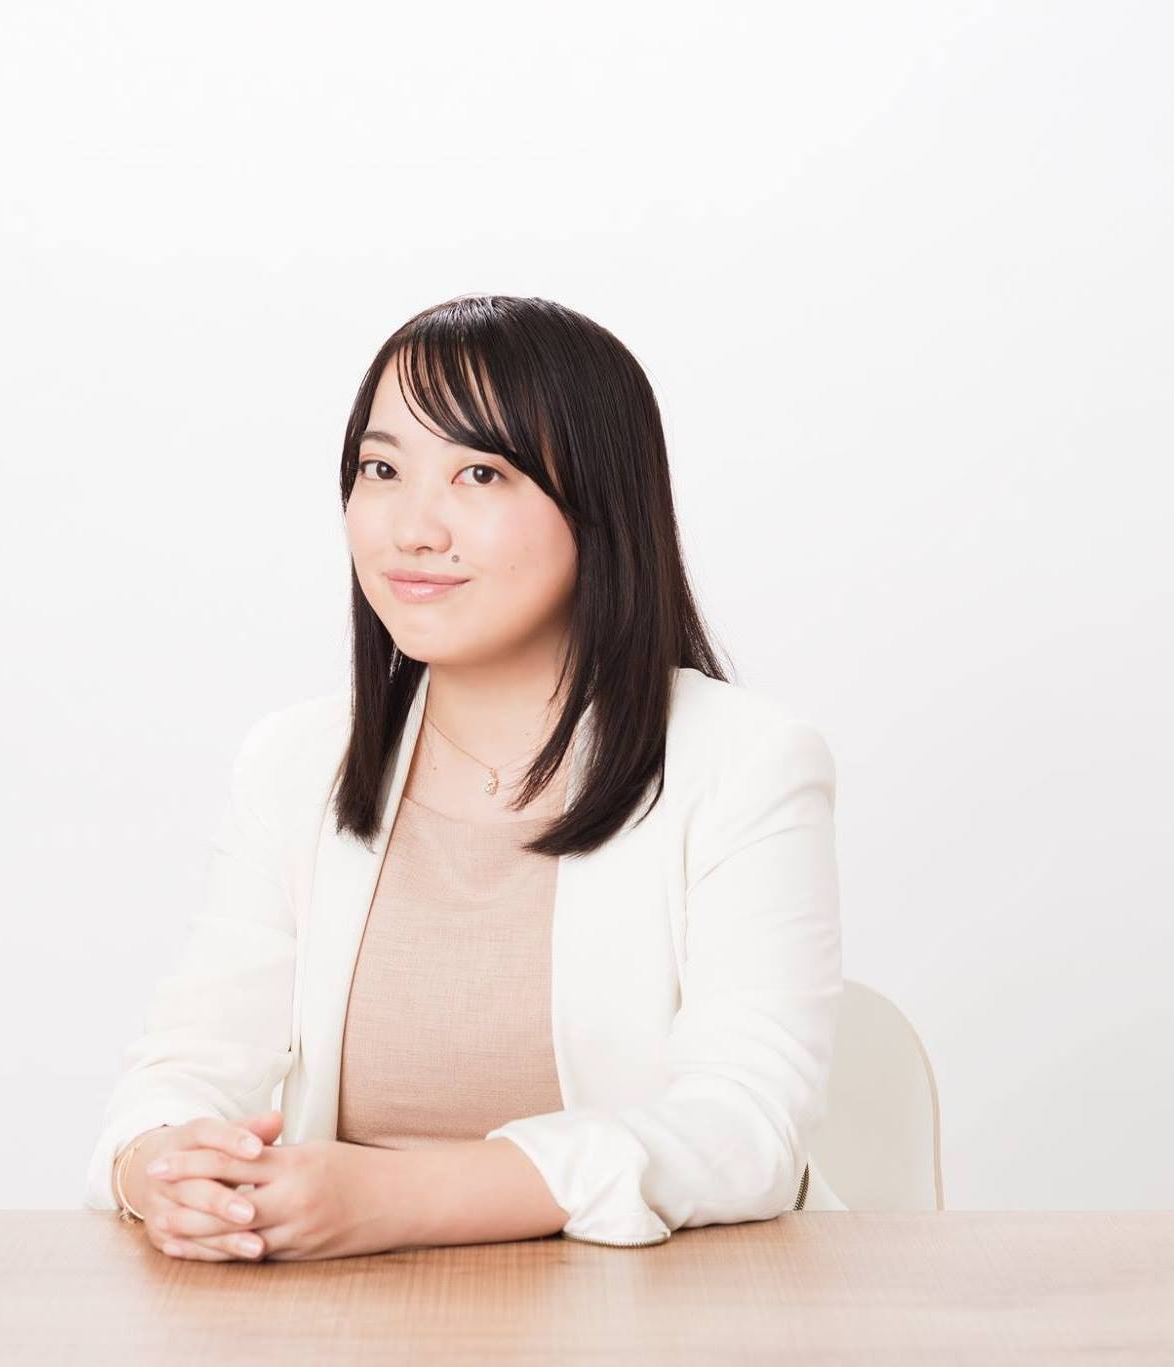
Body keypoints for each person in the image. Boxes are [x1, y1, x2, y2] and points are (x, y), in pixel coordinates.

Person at [83, 293, 845, 1261]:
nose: (411, 528)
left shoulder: (744, 760)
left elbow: (743, 1130)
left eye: (479, 472)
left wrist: (394, 1198)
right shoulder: (294, 762)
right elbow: (183, 1065)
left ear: (601, 502)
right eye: (381, 468)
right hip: (328, 1306)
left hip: (649, 1308)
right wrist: (160, 1167)